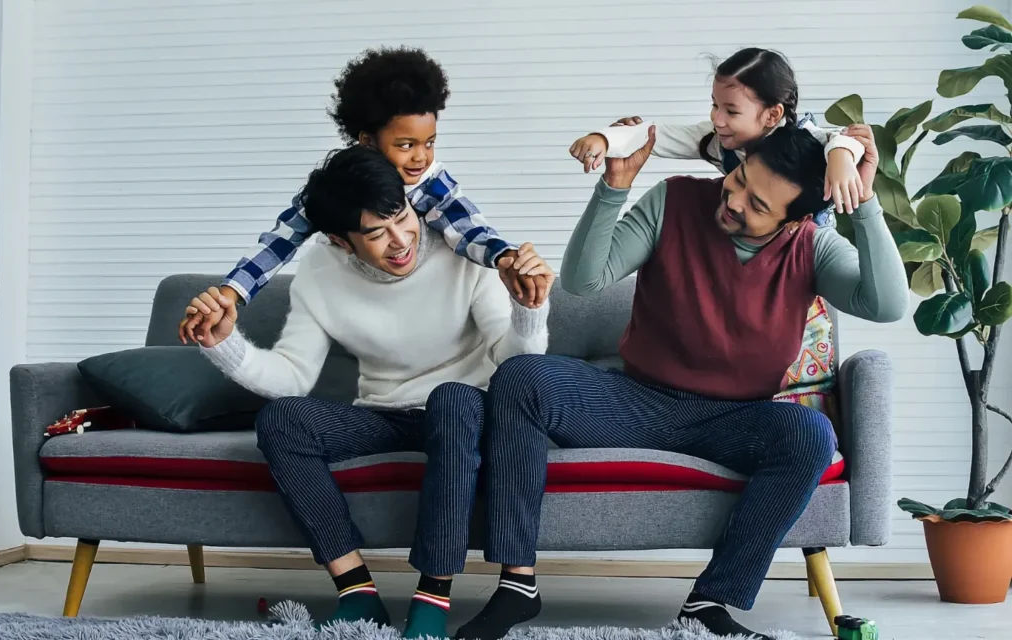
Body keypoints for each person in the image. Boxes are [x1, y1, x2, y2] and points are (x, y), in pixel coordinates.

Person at [458, 125, 908, 640]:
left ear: (794, 221)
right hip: (635, 401)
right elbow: (582, 283)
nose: (735, 200)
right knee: (522, 377)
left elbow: (887, 305)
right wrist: (614, 189)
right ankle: (517, 587)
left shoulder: (811, 246)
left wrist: (866, 203)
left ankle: (710, 602)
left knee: (809, 434)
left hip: (732, 420)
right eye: (738, 178)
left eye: (758, 205)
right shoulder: (674, 200)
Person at [192, 144, 554, 640]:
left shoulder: (463, 249)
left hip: (465, 407)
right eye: (376, 234)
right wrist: (225, 345)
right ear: (341, 243)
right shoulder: (320, 273)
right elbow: (293, 378)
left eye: (402, 218)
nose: (401, 240)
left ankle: (432, 597)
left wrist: (528, 311)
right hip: (385, 413)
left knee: (454, 399)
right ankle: (357, 592)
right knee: (281, 420)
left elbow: (514, 367)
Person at [180, 46, 548, 343]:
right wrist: (232, 293)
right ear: (367, 141)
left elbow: (468, 226)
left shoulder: (431, 181)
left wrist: (505, 256)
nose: (421, 156)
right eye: (406, 145)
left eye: (430, 142)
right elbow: (278, 243)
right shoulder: (342, 186)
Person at [568, 47, 866, 223]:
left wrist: (841, 156)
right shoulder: (714, 140)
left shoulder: (802, 140)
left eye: (731, 111)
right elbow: (655, 134)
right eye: (714, 105)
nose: (717, 119)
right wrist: (605, 140)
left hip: (802, 247)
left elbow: (845, 139)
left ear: (772, 115)